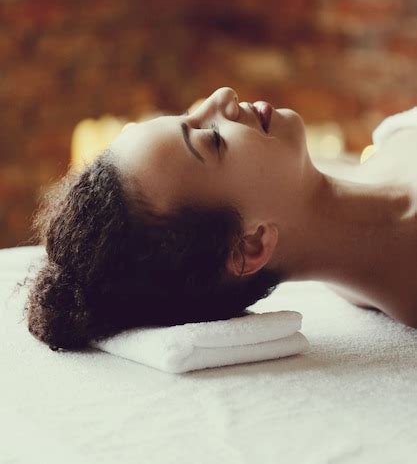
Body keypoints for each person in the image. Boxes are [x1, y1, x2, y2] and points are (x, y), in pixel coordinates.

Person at [23, 87, 417, 351]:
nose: (223, 97)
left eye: (188, 114)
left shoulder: (372, 173)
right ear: (251, 244)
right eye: (212, 138)